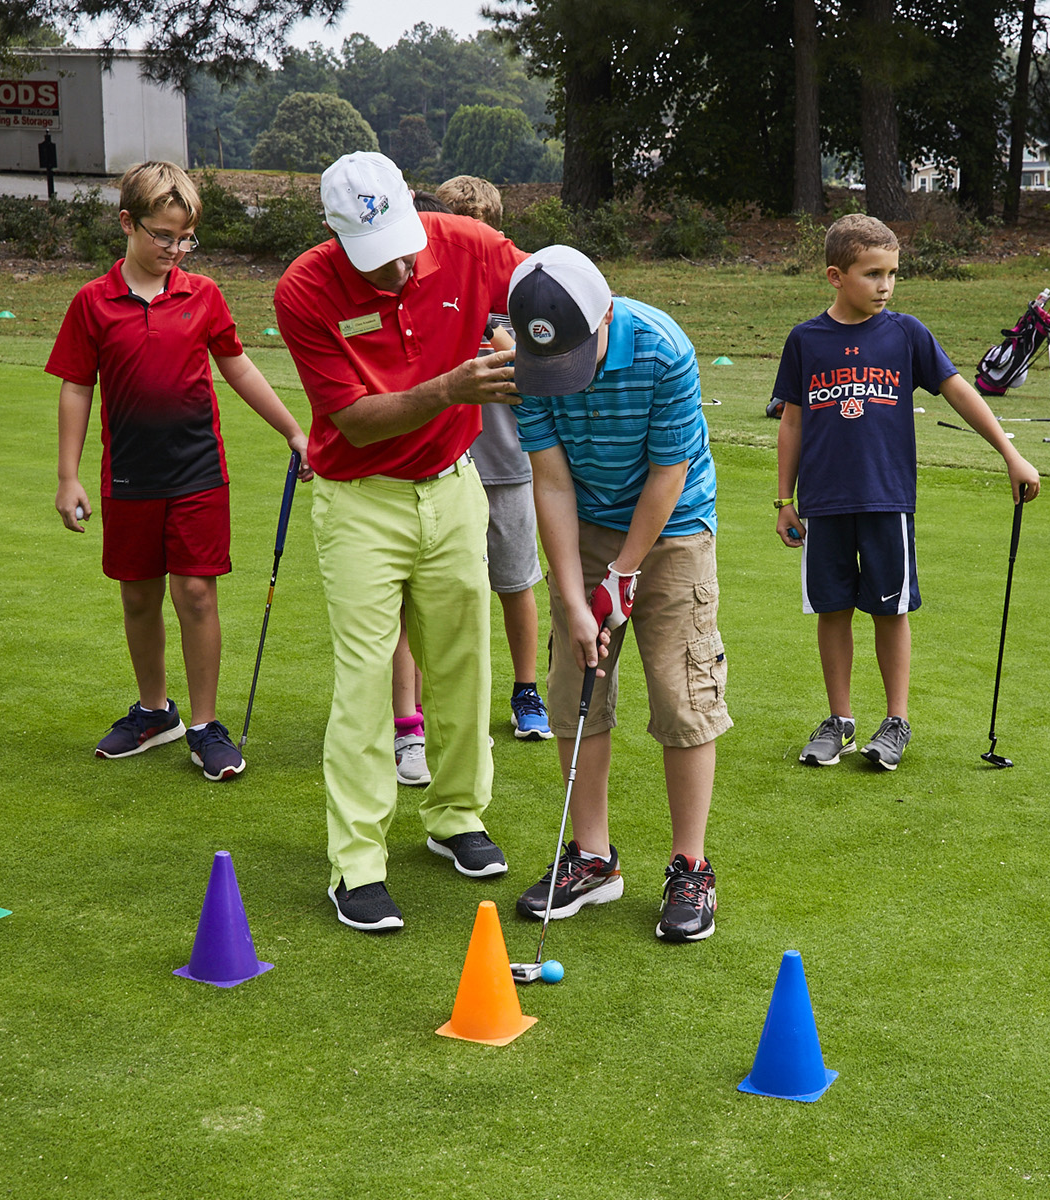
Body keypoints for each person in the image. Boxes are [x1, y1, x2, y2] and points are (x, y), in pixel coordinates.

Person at [273, 152, 526, 933]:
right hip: (360, 501)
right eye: (377, 258)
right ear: (335, 235)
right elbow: (352, 420)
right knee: (363, 681)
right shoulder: (304, 290)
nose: (399, 269)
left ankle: (455, 816)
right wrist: (451, 387)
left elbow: (546, 290)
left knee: (463, 662)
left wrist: (532, 339)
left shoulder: (466, 243)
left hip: (453, 485)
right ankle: (356, 863)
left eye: (405, 249)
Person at [48, 160, 308, 782]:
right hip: (129, 476)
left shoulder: (203, 294)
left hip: (198, 472)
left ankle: (204, 725)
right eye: (162, 236)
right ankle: (154, 711)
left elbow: (237, 366)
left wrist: (294, 431)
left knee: (195, 593)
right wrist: (67, 475)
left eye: (185, 238)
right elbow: (77, 387)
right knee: (139, 596)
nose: (174, 249)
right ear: (127, 223)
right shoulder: (92, 302)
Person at [508, 244, 729, 944]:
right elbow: (550, 483)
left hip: (673, 527)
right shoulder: (530, 363)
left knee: (681, 693)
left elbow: (669, 472)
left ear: (605, 314)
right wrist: (575, 600)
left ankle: (691, 866)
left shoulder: (663, 349)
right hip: (583, 525)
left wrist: (623, 575)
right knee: (575, 684)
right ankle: (593, 859)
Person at [772, 213, 1040, 770]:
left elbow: (959, 392)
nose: (885, 285)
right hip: (823, 502)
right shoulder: (805, 340)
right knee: (832, 609)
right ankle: (840, 721)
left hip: (886, 498)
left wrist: (1009, 454)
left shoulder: (906, 333)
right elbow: (792, 422)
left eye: (892, 273)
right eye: (873, 274)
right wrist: (785, 500)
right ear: (835, 276)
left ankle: (896, 722)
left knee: (890, 611)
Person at [436, 174, 551, 746]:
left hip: (508, 466)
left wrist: (492, 331)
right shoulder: (434, 296)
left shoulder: (519, 303)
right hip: (442, 467)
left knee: (515, 582)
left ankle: (526, 690)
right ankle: (441, 699)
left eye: (476, 232)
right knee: (447, 591)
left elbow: (543, 377)